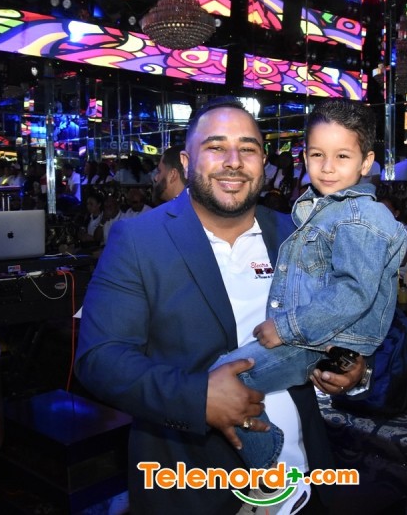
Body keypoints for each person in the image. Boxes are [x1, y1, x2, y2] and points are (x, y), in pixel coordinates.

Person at [74, 98, 367, 514]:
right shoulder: (138, 241)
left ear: (263, 161)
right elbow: (101, 359)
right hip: (197, 486)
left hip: (304, 480)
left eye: (248, 148)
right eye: (215, 147)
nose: (233, 162)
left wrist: (348, 363)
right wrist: (198, 398)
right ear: (186, 161)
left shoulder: (298, 234)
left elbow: (336, 322)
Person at [209, 98, 407, 471]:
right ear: (304, 157)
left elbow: (354, 293)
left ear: (366, 162)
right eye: (317, 155)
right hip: (313, 340)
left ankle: (265, 454)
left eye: (342, 156)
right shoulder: (316, 213)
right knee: (225, 377)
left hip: (311, 341)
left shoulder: (357, 217)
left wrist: (286, 328)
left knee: (226, 376)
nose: (327, 167)